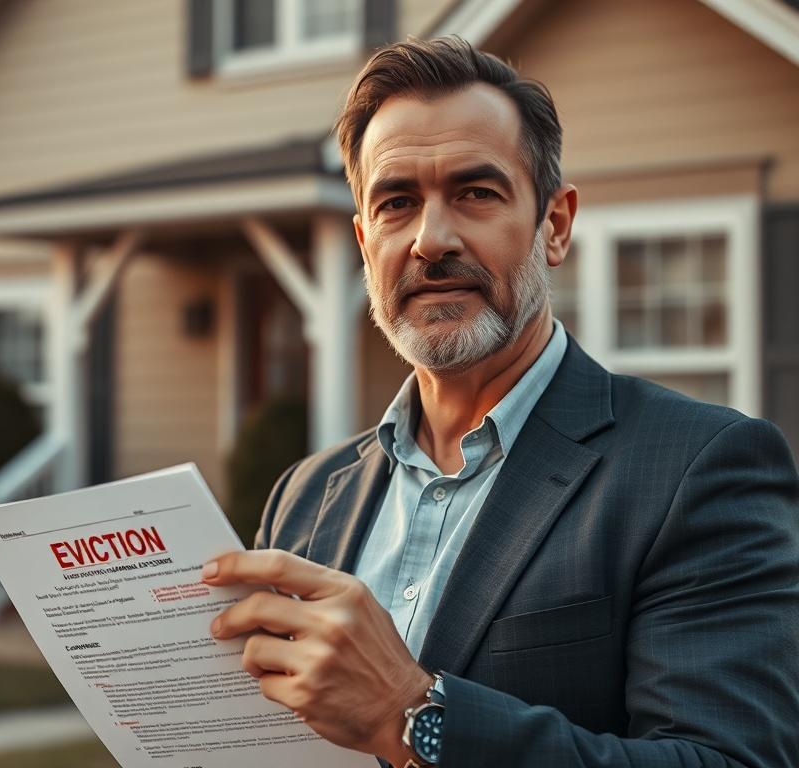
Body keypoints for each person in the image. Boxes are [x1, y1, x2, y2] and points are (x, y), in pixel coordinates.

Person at [200, 36, 799, 767]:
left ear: (555, 224)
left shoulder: (700, 470)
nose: (431, 239)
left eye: (475, 193)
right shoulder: (306, 493)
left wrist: (413, 712)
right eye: (396, 203)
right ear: (364, 241)